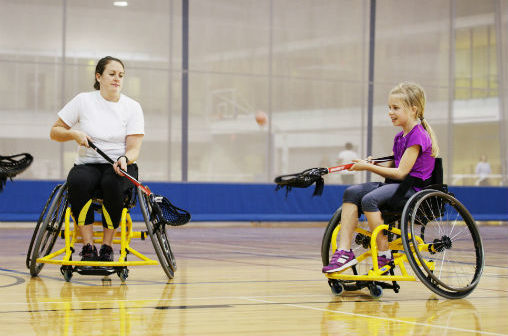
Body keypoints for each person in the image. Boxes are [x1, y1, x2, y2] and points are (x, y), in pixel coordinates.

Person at [322, 82, 439, 273]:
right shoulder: (400, 137)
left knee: (370, 199)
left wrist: (367, 167)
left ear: (413, 109)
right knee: (351, 192)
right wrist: (375, 165)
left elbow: (402, 173)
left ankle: (383, 253)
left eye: (395, 108)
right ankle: (344, 252)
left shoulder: (418, 135)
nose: (390, 112)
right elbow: (395, 169)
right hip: (397, 185)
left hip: (412, 189)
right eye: (389, 108)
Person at [50, 56, 144, 263]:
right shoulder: (83, 100)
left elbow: (134, 149)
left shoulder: (133, 107)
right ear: (98, 76)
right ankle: (88, 246)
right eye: (112, 74)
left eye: (121, 75)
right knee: (78, 182)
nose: (117, 79)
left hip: (119, 165)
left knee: (112, 183)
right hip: (88, 163)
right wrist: (74, 134)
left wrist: (124, 158)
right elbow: (55, 132)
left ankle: (108, 247)